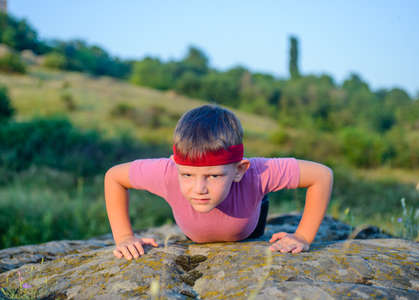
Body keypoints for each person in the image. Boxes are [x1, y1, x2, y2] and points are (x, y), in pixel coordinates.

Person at [104, 104, 333, 261]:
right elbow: (114, 177)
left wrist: (302, 236)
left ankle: (257, 197)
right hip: (194, 234)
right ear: (176, 166)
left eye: (213, 176)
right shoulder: (167, 172)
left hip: (249, 228)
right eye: (187, 175)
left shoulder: (258, 172)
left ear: (238, 170)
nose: (199, 188)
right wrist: (124, 237)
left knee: (256, 194)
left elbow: (322, 175)